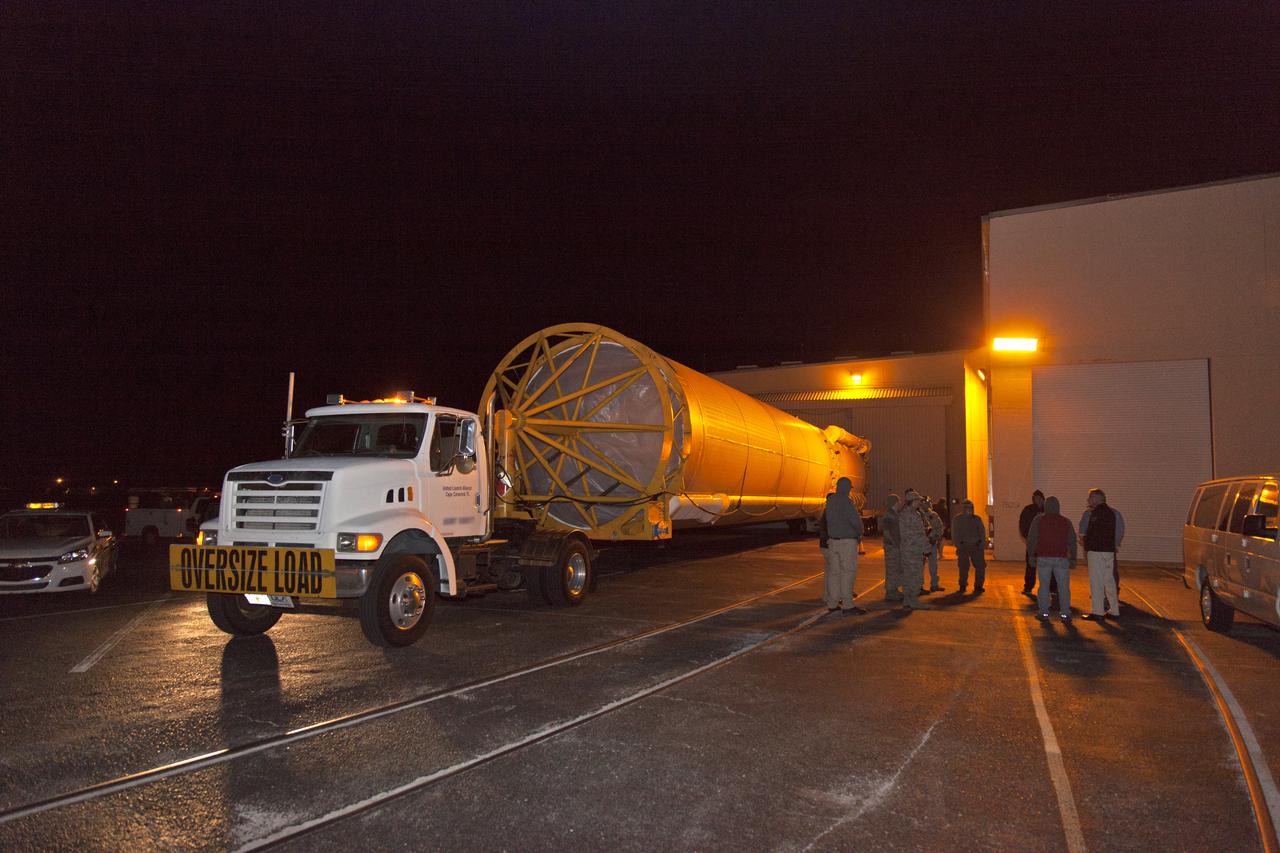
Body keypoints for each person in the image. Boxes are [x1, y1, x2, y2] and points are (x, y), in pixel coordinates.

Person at [1027, 496, 1078, 621]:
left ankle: (1044, 613)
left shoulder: (1038, 520)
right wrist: (1073, 558)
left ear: (1046, 506)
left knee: (1044, 586)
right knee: (1063, 587)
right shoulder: (1066, 521)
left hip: (1043, 558)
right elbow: (1072, 541)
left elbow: (1031, 539)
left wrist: (1031, 555)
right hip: (1061, 558)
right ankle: (1065, 613)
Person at [1079, 488, 1124, 620]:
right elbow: (1117, 531)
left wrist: (1085, 544)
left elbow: (1092, 533)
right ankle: (1114, 610)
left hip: (1096, 551)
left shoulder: (1095, 513)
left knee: (1096, 581)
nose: (1088, 500)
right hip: (1109, 551)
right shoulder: (1112, 513)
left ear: (1096, 498)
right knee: (1109, 581)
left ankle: (1097, 611)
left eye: (1090, 497)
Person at [821, 477, 865, 613]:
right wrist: (860, 532)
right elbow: (855, 521)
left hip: (832, 541)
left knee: (834, 573)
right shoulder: (846, 501)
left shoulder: (830, 501)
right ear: (846, 488)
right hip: (847, 542)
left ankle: (832, 603)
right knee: (848, 572)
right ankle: (847, 604)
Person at [897, 490, 933, 610]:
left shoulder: (903, 513)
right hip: (914, 550)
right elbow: (919, 534)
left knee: (907, 576)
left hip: (906, 549)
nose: (919, 503)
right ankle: (913, 601)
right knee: (916, 576)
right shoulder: (914, 515)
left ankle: (907, 601)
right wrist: (927, 548)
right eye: (918, 500)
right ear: (913, 501)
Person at [952, 499, 987, 593]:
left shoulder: (977, 519)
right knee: (963, 567)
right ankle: (962, 584)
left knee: (980, 566)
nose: (969, 510)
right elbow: (955, 534)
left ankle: (978, 585)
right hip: (964, 547)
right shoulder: (957, 519)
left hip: (976, 547)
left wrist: (981, 545)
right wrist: (959, 545)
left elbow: (982, 532)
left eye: (971, 508)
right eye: (967, 508)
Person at [1019, 490, 1045, 595]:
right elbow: (1023, 524)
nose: (1038, 500)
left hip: (1045, 543)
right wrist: (1027, 538)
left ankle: (1051, 588)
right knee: (1031, 565)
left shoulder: (1047, 509)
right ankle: (1028, 587)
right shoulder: (1028, 510)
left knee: (1047, 566)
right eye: (1036, 498)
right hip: (1033, 543)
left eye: (1039, 498)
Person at [921, 497, 946, 594]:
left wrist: (935, 537)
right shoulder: (918, 515)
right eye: (924, 503)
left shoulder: (933, 515)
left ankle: (934, 585)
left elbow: (940, 527)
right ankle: (919, 586)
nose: (926, 505)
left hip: (932, 542)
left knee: (933, 565)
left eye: (927, 503)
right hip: (922, 544)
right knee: (920, 565)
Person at [882, 493, 903, 602]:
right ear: (895, 502)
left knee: (896, 569)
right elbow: (887, 532)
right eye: (899, 501)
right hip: (892, 547)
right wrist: (894, 544)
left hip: (896, 546)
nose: (900, 503)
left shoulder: (895, 514)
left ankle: (894, 590)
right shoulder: (889, 515)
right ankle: (890, 592)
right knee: (891, 569)